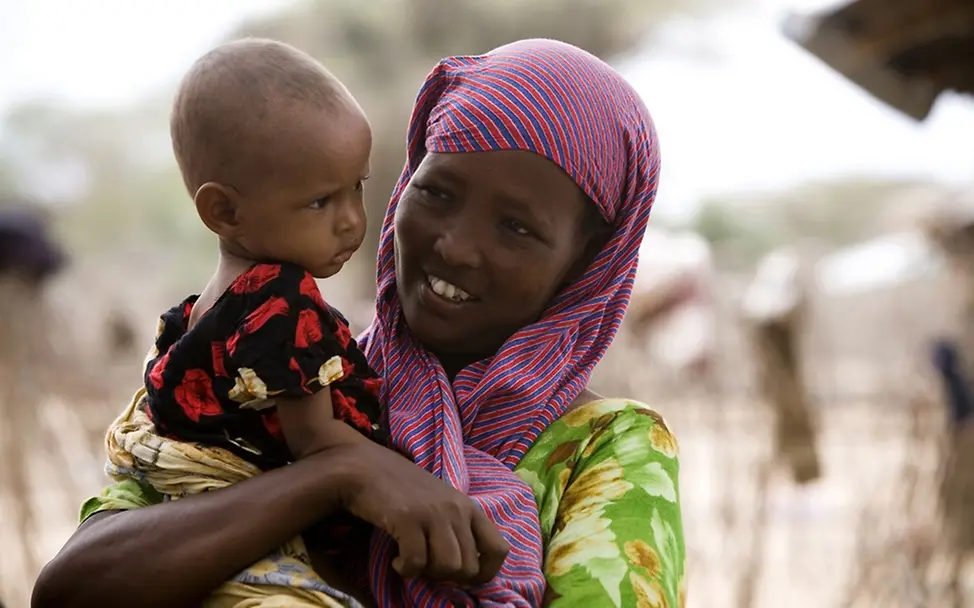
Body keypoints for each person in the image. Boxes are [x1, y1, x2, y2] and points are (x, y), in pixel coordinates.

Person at [33, 38, 686, 608]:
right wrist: (336, 476)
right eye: (437, 192)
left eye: (517, 228)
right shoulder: (265, 372)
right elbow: (72, 588)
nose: (456, 245)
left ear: (585, 269)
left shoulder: (604, 451)